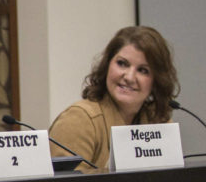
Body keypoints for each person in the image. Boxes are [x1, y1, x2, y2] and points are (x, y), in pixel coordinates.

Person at [48, 25, 180, 171]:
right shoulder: (79, 119)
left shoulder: (157, 122)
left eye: (143, 70)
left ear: (156, 81)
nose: (129, 77)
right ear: (107, 65)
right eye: (122, 64)